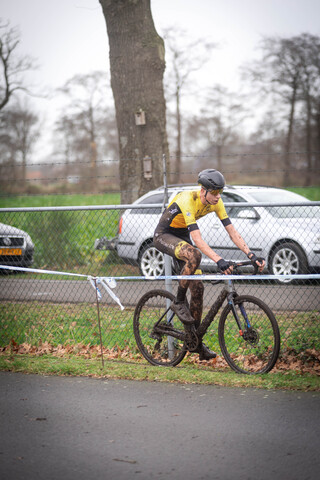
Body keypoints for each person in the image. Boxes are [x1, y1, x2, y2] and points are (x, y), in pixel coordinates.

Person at [153, 168, 265, 361]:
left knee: (198, 288)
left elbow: (232, 232)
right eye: (214, 192)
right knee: (194, 255)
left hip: (181, 236)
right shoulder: (187, 199)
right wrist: (218, 260)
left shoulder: (217, 202)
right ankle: (179, 301)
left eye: (219, 192)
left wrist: (251, 254)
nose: (217, 196)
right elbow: (197, 239)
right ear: (203, 190)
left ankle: (195, 340)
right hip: (164, 235)